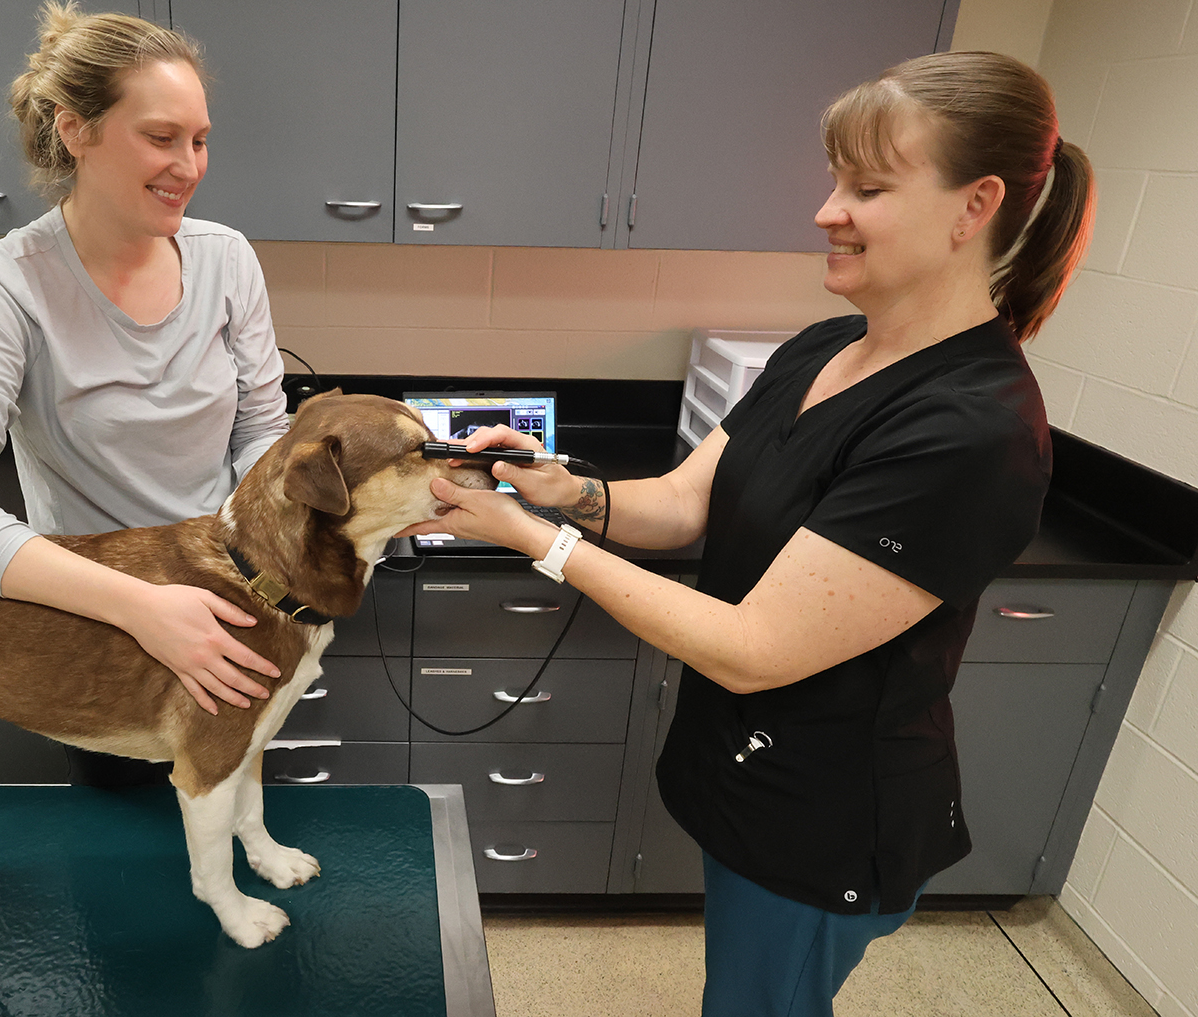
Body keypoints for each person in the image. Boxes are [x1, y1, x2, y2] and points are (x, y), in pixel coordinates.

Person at [404, 50, 1093, 1015]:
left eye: (867, 186)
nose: (826, 210)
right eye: (834, 180)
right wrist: (561, 488)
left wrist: (534, 542)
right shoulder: (822, 347)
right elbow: (688, 501)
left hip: (825, 822)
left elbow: (756, 650)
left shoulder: (968, 429)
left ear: (973, 206)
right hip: (750, 778)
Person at [0, 1, 290, 785]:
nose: (190, 165)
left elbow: (261, 431)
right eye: (160, 137)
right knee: (123, 849)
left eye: (200, 139)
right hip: (100, 626)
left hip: (228, 606)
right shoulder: (8, 284)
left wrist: (269, 566)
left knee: (233, 816)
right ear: (75, 129)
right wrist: (141, 606)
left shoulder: (228, 260)